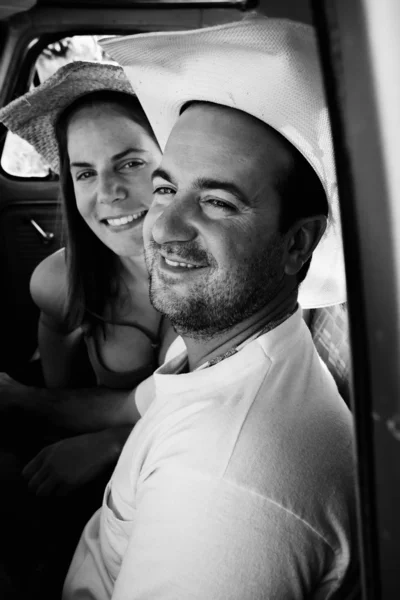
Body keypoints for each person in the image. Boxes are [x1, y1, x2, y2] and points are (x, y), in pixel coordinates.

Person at [60, 15, 358, 600]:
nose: (162, 224)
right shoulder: (216, 345)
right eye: (168, 187)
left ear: (297, 243)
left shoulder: (226, 489)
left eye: (218, 201)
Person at [0, 61, 176, 497]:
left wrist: (115, 442)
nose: (108, 191)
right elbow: (56, 352)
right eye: (85, 173)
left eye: (131, 162)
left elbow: (208, 412)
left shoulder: (221, 283)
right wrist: (54, 416)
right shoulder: (58, 280)